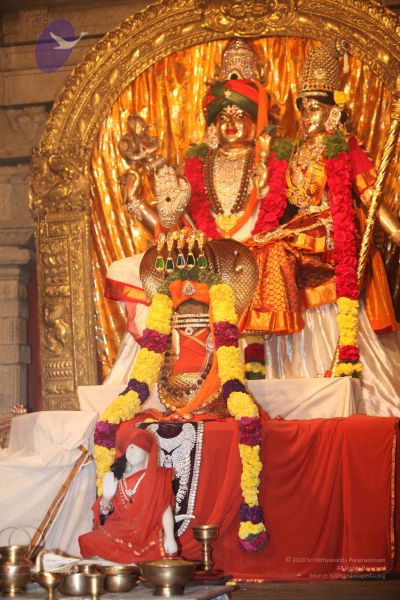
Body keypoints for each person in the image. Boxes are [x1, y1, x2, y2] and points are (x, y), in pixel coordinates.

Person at [79, 427, 177, 563]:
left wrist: (170, 537)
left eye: (137, 447)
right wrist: (107, 498)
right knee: (87, 541)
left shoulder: (159, 478)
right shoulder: (117, 479)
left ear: (148, 453)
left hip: (147, 534)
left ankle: (120, 563)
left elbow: (164, 510)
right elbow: (103, 520)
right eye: (129, 447)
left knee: (154, 550)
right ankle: (123, 564)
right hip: (118, 531)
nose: (131, 451)